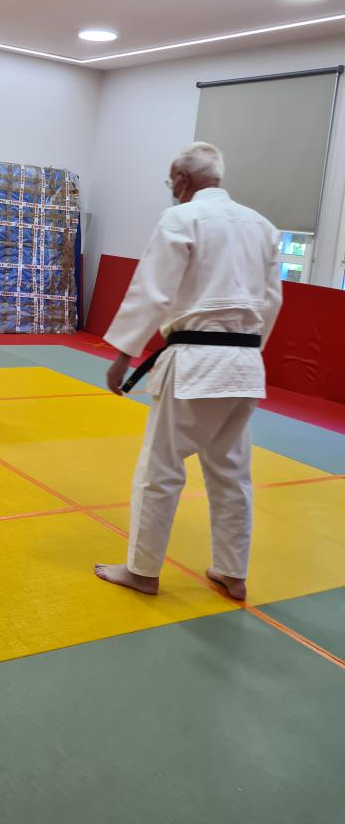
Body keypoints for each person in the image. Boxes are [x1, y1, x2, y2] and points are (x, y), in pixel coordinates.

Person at [95, 142, 282, 601]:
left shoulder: (182, 218)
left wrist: (123, 354)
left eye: (170, 182)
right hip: (245, 365)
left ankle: (142, 571)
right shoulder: (262, 226)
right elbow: (272, 300)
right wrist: (248, 352)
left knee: (159, 469)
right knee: (231, 471)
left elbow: (153, 290)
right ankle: (232, 572)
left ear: (181, 180)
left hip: (196, 361)